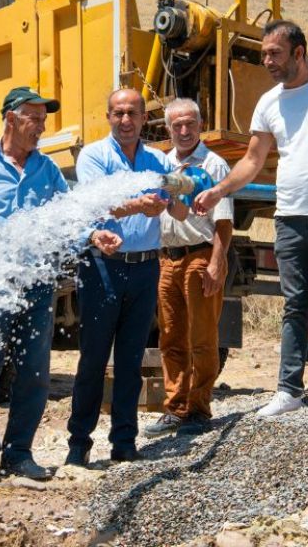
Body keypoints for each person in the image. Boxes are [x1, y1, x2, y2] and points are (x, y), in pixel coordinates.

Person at [0, 86, 121, 480]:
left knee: (34, 373)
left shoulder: (47, 170)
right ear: (11, 119)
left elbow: (67, 216)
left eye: (43, 120)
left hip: (36, 286)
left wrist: (93, 237)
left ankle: (19, 453)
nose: (41, 127)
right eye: (34, 119)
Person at [194, 20, 308, 417]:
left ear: (298, 52)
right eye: (265, 53)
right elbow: (253, 159)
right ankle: (288, 389)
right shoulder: (269, 102)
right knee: (294, 305)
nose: (267, 60)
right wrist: (220, 189)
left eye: (275, 53)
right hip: (289, 216)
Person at [65, 88, 188, 466]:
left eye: (133, 113)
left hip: (145, 267)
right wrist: (140, 205)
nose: (125, 120)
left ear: (143, 119)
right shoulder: (94, 157)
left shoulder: (157, 160)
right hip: (104, 266)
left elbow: (178, 211)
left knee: (131, 361)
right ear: (108, 117)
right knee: (94, 359)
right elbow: (95, 203)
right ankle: (79, 444)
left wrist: (186, 200)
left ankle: (124, 443)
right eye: (118, 113)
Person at [142, 99, 232, 438]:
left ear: (200, 124)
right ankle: (174, 408)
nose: (183, 130)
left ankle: (199, 409)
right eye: (176, 125)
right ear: (167, 128)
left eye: (189, 124)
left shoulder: (214, 165)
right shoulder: (161, 165)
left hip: (199, 255)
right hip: (167, 258)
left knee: (203, 338)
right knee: (171, 337)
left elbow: (224, 221)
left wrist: (216, 262)